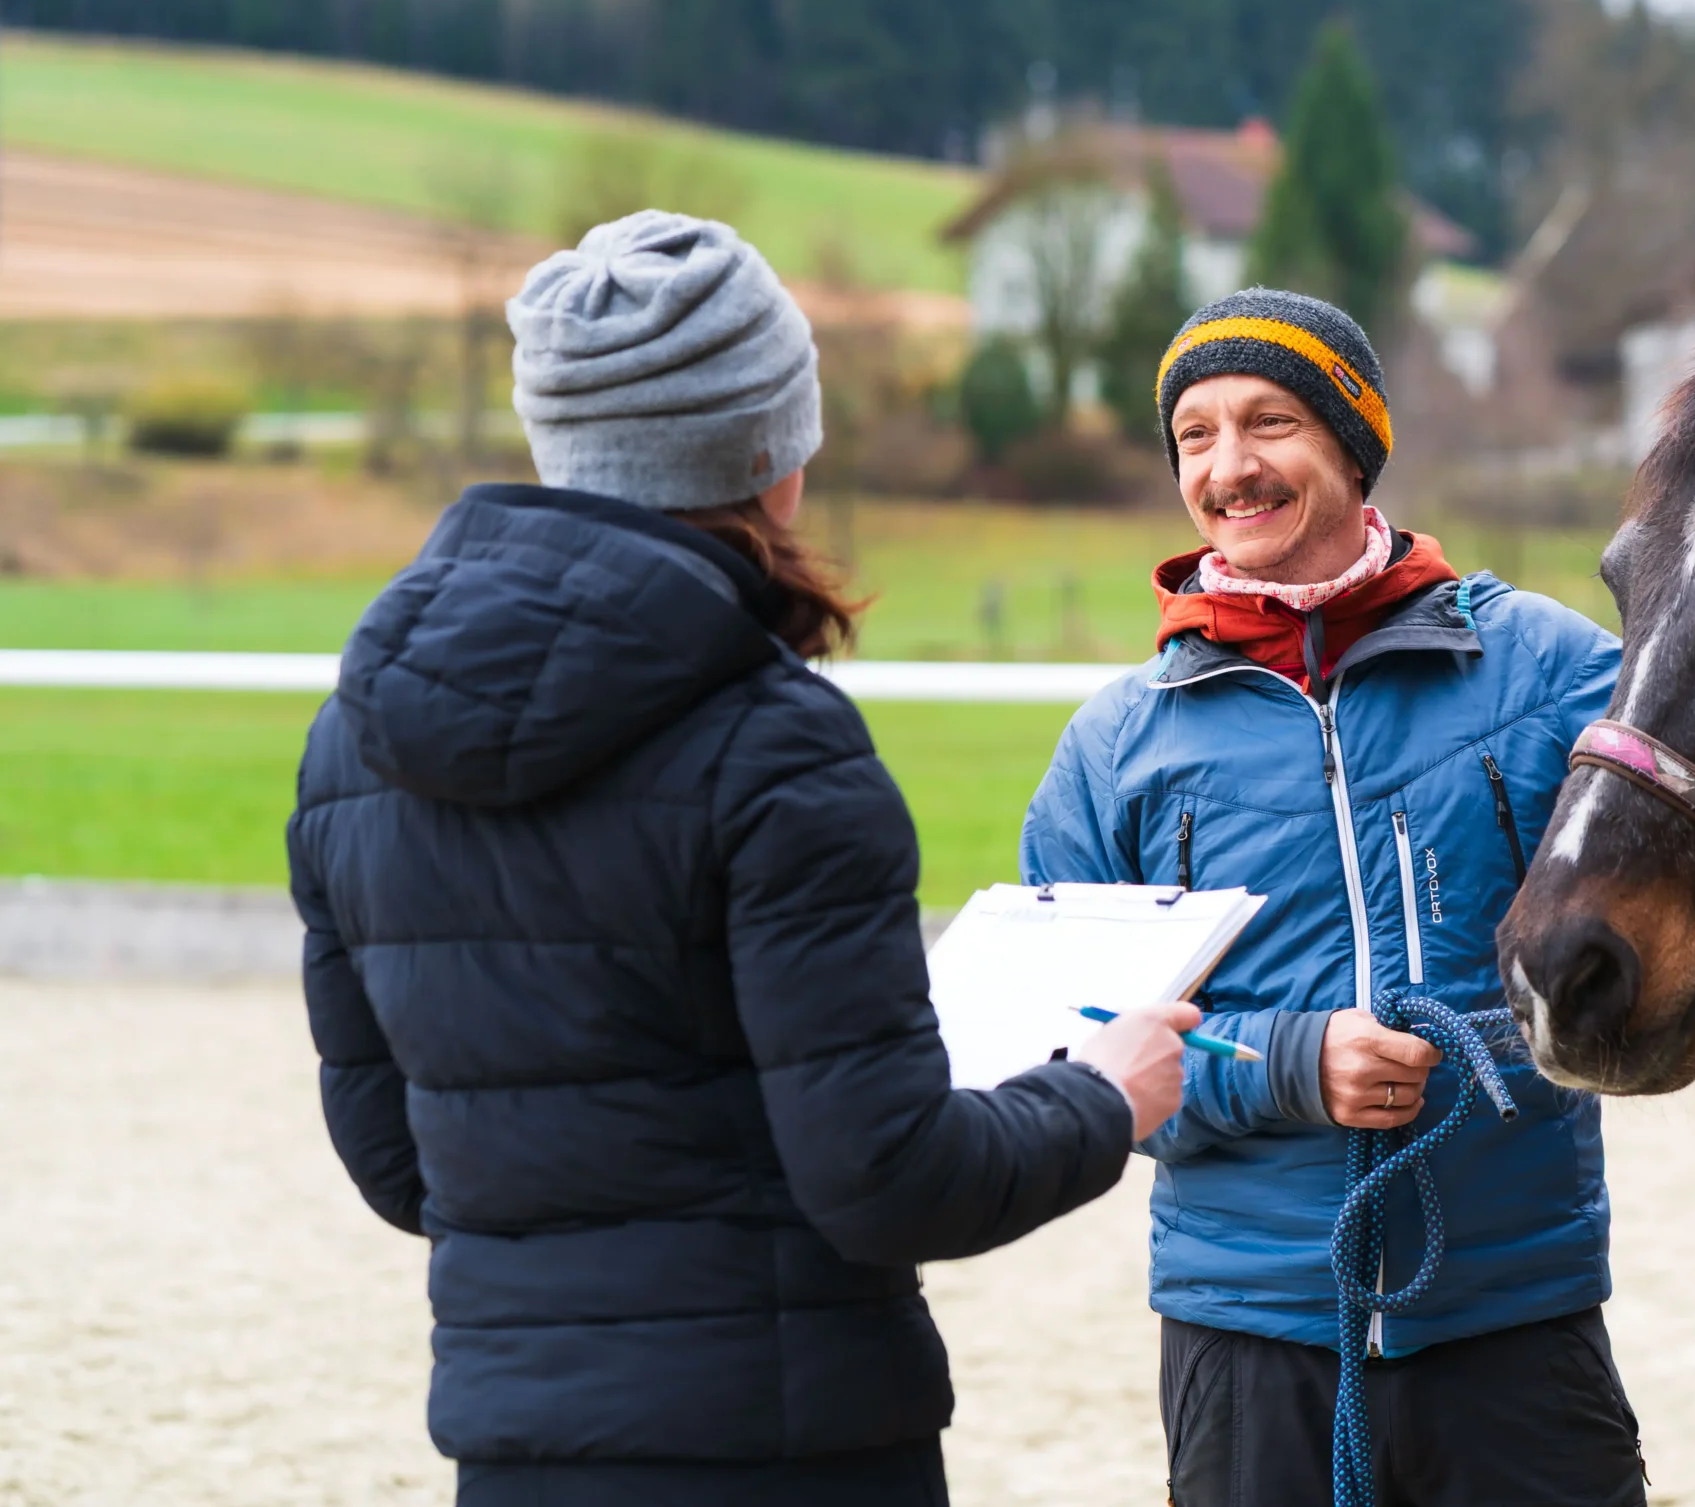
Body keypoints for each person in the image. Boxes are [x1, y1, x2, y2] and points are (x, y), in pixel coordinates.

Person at [290, 210, 1198, 1507]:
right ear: (779, 446)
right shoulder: (777, 742)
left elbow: (396, 1159)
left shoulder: (351, 739)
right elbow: (889, 1179)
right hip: (792, 1445)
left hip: (518, 1444)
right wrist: (1102, 1094)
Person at [1020, 288, 1643, 1505]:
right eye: (1195, 436)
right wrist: (1290, 1066)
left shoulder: (1552, 670)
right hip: (1250, 1328)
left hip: (1513, 1312)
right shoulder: (1116, 747)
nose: (1229, 467)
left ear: (1353, 446)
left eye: (1269, 423)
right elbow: (1067, 1047)